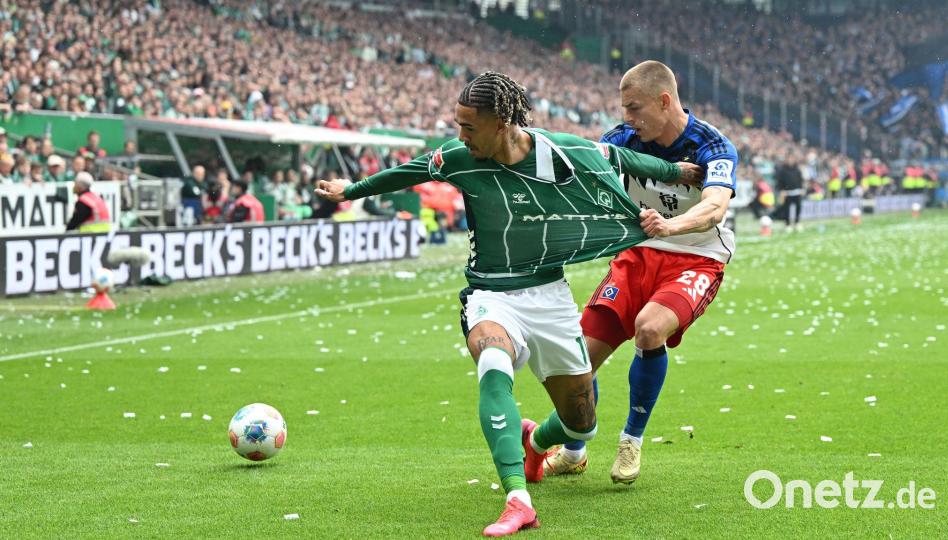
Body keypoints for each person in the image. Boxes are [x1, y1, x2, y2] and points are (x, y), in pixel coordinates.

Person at [314, 71, 701, 537]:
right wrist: (351, 190)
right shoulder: (459, 158)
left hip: (548, 297)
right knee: (493, 361)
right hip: (489, 293)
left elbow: (618, 157)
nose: (459, 135)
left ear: (501, 123)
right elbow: (411, 170)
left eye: (468, 126)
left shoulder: (562, 151)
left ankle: (536, 442)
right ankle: (518, 499)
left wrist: (677, 172)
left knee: (581, 427)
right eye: (457, 125)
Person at [546, 61, 737, 485]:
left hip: (696, 258)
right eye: (624, 109)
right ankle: (575, 449)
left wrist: (672, 226)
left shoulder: (712, 145)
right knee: (576, 363)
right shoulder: (621, 141)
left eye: (634, 108)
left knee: (649, 330)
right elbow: (581, 179)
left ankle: (631, 440)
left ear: (664, 101)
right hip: (637, 256)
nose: (627, 118)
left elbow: (715, 207)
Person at [774, 154, 804, 231]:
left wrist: (801, 188)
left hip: (797, 192)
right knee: (786, 209)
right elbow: (779, 181)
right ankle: (788, 224)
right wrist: (782, 190)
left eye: (792, 158)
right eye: (789, 158)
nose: (791, 160)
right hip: (787, 192)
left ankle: (797, 223)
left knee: (798, 208)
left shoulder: (797, 169)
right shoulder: (782, 170)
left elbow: (800, 180)